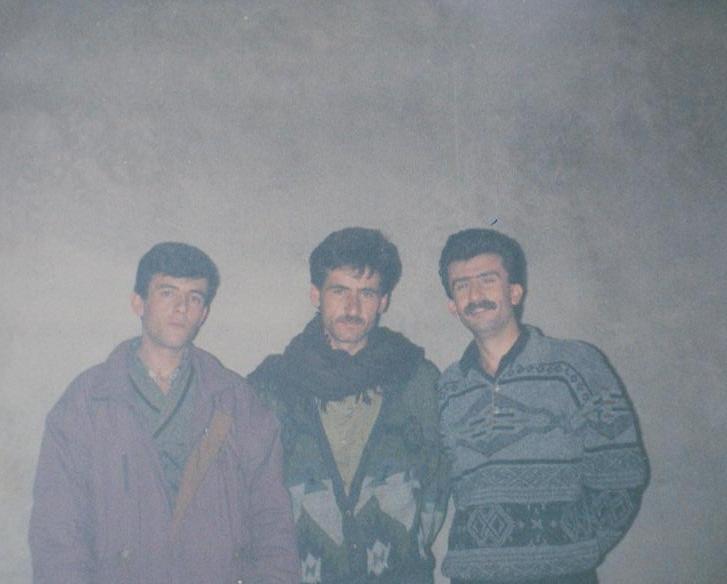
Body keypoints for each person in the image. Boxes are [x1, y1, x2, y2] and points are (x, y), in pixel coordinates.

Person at [29, 242, 298, 584]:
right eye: (167, 293)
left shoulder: (237, 402)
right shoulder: (87, 403)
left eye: (194, 297)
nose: (181, 308)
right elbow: (57, 535)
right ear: (138, 303)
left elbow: (273, 524)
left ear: (204, 313)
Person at [437, 228, 649, 584]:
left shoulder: (576, 365)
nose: (475, 296)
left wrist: (578, 550)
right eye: (461, 286)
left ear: (515, 291)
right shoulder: (446, 387)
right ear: (452, 306)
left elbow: (623, 474)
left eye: (488, 280)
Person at [249, 227, 449, 584]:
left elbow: (437, 486)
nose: (352, 308)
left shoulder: (417, 380)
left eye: (366, 293)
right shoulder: (273, 385)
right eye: (339, 290)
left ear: (383, 301)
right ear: (316, 294)